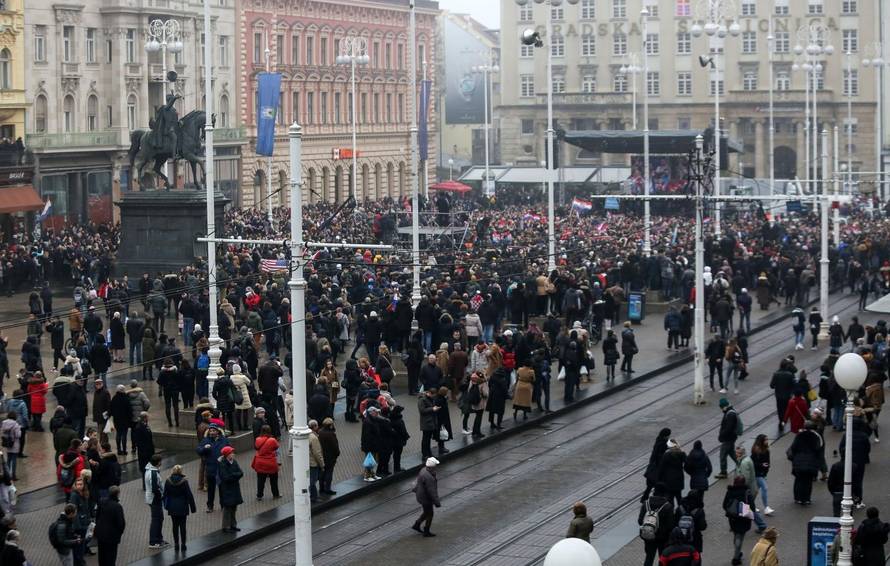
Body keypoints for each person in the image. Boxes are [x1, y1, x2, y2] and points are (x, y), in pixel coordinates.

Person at [163, 464, 197, 553]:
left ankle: (176, 544)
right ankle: (183, 544)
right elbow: (189, 495)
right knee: (183, 526)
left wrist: (166, 505)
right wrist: (193, 508)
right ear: (181, 471)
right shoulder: (184, 481)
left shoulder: (168, 481)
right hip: (183, 506)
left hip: (172, 506)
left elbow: (165, 494)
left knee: (174, 526)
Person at [638, 482, 674, 566]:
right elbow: (670, 525)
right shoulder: (667, 506)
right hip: (663, 537)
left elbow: (640, 521)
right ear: (665, 493)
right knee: (662, 558)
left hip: (648, 535)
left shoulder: (646, 504)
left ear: (654, 492)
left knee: (649, 557)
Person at [787, 421, 822, 504]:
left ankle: (797, 498)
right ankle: (806, 498)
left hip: (799, 461)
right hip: (811, 461)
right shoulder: (815, 437)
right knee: (808, 481)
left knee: (798, 480)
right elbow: (817, 449)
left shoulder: (799, 435)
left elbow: (794, 447)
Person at [724, 475, 756, 565]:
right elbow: (752, 507)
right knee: (740, 537)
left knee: (736, 535)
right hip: (744, 518)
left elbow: (724, 505)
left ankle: (737, 553)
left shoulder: (730, 491)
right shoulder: (747, 492)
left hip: (733, 518)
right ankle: (736, 558)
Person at [196, 424, 229, 512]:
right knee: (211, 489)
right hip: (211, 468)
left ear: (217, 431)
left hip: (221, 468)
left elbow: (229, 450)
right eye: (210, 431)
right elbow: (198, 450)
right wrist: (204, 449)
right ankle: (210, 506)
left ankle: (223, 505)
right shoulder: (205, 440)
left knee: (222, 488)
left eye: (213, 430)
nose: (212, 432)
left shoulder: (224, 440)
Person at [94, 485, 126, 566]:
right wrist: (118, 534)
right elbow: (121, 523)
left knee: (102, 556)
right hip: (111, 537)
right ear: (117, 494)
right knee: (111, 557)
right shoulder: (117, 506)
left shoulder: (101, 501)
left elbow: (97, 516)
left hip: (101, 534)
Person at [411, 457, 441, 537]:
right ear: (432, 467)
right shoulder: (429, 477)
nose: (437, 467)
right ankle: (426, 530)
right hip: (425, 498)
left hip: (421, 495)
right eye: (435, 466)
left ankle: (417, 524)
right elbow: (432, 491)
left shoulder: (424, 470)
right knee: (430, 514)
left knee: (426, 512)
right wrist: (437, 502)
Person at [218, 445, 244, 533]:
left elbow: (241, 473)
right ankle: (225, 526)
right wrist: (235, 475)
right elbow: (225, 477)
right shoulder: (223, 464)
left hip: (234, 487)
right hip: (227, 489)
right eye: (231, 453)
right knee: (227, 508)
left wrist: (233, 475)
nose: (233, 454)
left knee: (234, 507)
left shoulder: (234, 462)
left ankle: (233, 525)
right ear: (227, 454)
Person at [252, 424, 281, 500]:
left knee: (260, 480)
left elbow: (256, 447)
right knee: (273, 480)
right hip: (271, 462)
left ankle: (259, 495)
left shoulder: (257, 439)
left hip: (260, 462)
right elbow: (277, 447)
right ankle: (275, 494)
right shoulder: (272, 440)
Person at [144, 453, 167, 549]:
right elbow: (154, 489)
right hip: (154, 499)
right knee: (156, 520)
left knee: (159, 519)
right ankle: (154, 541)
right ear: (158, 463)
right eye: (160, 461)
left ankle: (159, 539)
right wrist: (161, 496)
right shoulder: (153, 473)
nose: (161, 462)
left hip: (152, 499)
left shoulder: (150, 470)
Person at [643, 428, 672, 501]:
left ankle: (644, 497)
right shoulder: (663, 443)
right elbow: (660, 455)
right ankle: (655, 498)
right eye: (668, 435)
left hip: (653, 465)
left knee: (650, 485)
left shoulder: (658, 440)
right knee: (657, 483)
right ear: (666, 435)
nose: (669, 437)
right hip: (657, 467)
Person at [715, 398, 740, 479]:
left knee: (722, 455)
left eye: (722, 408)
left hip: (728, 438)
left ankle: (723, 472)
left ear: (724, 406)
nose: (721, 409)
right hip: (730, 438)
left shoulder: (730, 414)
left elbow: (728, 428)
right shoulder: (729, 412)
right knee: (731, 453)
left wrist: (721, 435)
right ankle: (742, 463)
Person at [657, 439, 686, 507]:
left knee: (670, 498)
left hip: (668, 480)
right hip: (679, 478)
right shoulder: (681, 454)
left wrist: (659, 479)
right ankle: (681, 512)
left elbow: (661, 468)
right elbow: (687, 463)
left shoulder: (666, 455)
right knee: (679, 497)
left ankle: (671, 514)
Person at [750, 434, 774, 516]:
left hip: (763, 473)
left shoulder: (766, 450)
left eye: (767, 439)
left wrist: (767, 467)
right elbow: (752, 463)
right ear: (761, 441)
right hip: (757, 474)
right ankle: (766, 508)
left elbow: (767, 461)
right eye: (765, 440)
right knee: (765, 488)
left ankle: (750, 506)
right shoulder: (756, 450)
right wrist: (762, 465)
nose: (767, 441)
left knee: (755, 491)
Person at [132, 412, 155, 476]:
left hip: (148, 450)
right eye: (147, 417)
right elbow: (139, 440)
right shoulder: (139, 427)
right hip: (144, 452)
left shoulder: (145, 425)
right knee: (145, 470)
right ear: (144, 418)